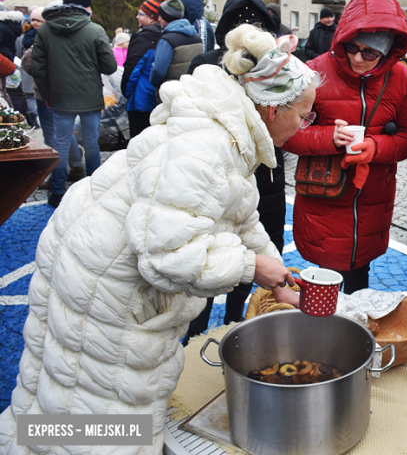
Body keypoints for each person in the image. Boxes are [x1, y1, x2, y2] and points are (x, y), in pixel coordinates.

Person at [0, 25, 316, 453]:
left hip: (93, 251)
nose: (305, 125)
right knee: (103, 402)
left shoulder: (226, 127)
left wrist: (276, 274)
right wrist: (250, 267)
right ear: (271, 109)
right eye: (304, 114)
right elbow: (169, 254)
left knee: (63, 389)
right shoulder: (209, 144)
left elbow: (236, 213)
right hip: (108, 279)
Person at [284, 0, 407, 294]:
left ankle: (350, 337)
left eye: (370, 53)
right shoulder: (313, 73)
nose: (358, 58)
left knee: (360, 276)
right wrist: (329, 137)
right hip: (325, 199)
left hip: (372, 202)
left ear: (387, 53)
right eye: (352, 47)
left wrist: (375, 147)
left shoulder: (401, 78)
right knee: (327, 280)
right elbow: (287, 134)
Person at [183, 0, 285, 345]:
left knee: (260, 242)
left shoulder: (275, 67)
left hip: (266, 177)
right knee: (212, 246)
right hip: (219, 173)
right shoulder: (207, 65)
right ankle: (197, 329)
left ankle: (236, 320)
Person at [31, 0, 117, 208]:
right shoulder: (95, 30)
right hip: (89, 96)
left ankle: (57, 193)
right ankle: (93, 191)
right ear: (85, 7)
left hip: (59, 97)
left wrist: (48, 94)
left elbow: (37, 67)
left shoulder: (46, 30)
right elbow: (110, 66)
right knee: (91, 144)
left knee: (59, 144)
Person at [22, 7, 84, 188]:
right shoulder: (67, 34)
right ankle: (77, 167)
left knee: (52, 135)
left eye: (38, 21)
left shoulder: (43, 37)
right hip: (66, 91)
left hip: (46, 93)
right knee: (65, 131)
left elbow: (30, 62)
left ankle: (58, 176)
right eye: (32, 20)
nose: (34, 24)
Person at [122, 0, 165, 137]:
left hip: (141, 101)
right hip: (160, 99)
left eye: (141, 14)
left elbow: (131, 71)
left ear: (152, 17)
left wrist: (126, 93)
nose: (137, 17)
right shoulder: (166, 36)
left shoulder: (142, 40)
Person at [149, 0, 201, 92]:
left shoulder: (167, 40)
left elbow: (158, 71)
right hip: (191, 90)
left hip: (171, 92)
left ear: (167, 17)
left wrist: (153, 82)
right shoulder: (197, 37)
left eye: (160, 15)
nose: (158, 19)